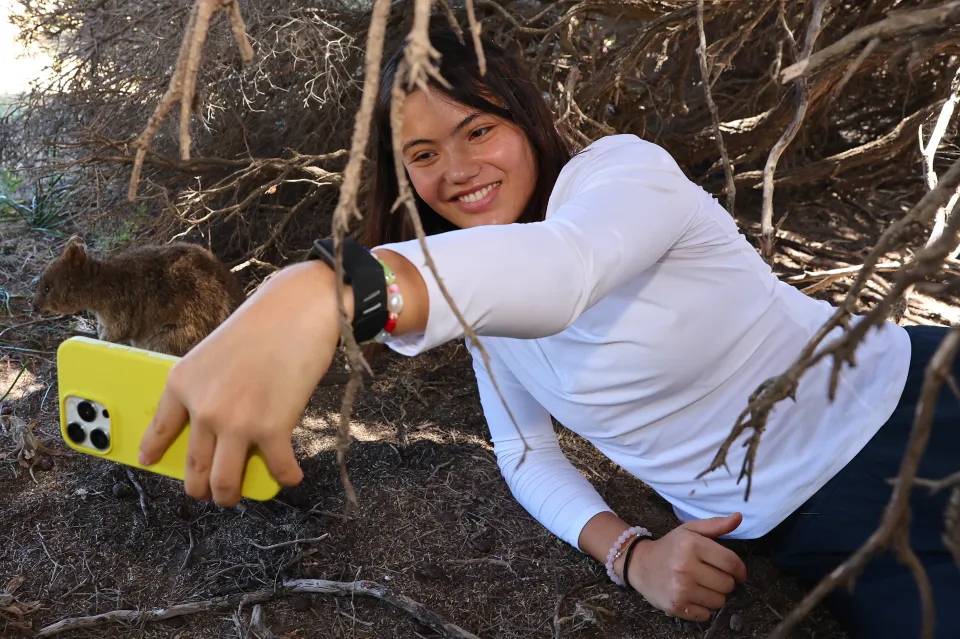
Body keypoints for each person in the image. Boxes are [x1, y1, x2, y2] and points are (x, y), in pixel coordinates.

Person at [136, 28, 959, 639]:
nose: (455, 170)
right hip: (817, 530)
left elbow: (566, 270)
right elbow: (525, 451)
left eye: (478, 131)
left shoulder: (618, 174)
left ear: (525, 120)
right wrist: (629, 553)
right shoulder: (477, 296)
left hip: (919, 395)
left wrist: (319, 290)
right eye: (422, 153)